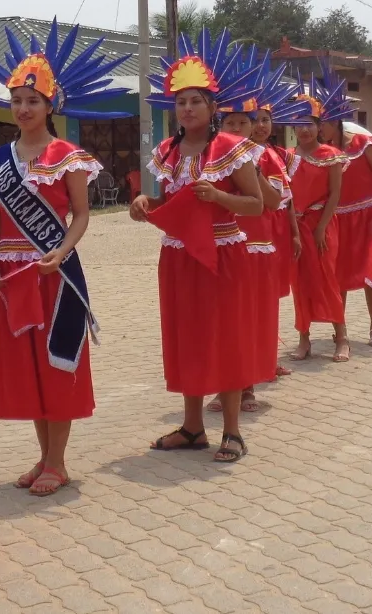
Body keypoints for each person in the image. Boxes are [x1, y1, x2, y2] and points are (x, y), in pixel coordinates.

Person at [0, 19, 130, 496]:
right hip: (13, 276)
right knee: (26, 368)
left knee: (57, 363)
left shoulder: (66, 155)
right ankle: (43, 457)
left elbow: (80, 214)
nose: (23, 108)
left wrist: (62, 249)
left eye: (32, 101)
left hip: (55, 273)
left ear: (49, 104)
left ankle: (58, 462)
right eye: (16, 100)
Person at [133, 28, 268, 463]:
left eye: (196, 100)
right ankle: (192, 427)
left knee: (224, 338)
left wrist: (220, 197)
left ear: (212, 107)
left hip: (223, 254)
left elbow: (256, 204)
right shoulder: (169, 151)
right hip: (177, 256)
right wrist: (145, 204)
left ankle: (232, 431)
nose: (187, 108)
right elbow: (170, 204)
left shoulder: (231, 147)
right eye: (181, 101)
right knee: (185, 337)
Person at [206, 50, 314, 413]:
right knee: (225, 320)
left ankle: (247, 385)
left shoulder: (264, 157)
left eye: (243, 123)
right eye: (230, 123)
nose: (236, 129)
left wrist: (249, 173)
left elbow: (276, 201)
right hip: (223, 246)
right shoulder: (211, 154)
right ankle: (228, 384)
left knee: (252, 317)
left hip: (258, 247)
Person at [288, 71, 353, 362]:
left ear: (319, 126)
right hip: (295, 226)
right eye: (299, 125)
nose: (305, 131)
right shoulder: (287, 157)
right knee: (299, 283)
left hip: (322, 225)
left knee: (328, 279)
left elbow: (335, 196)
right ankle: (304, 338)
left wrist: (321, 228)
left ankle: (342, 337)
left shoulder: (331, 155)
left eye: (310, 125)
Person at [331, 119, 372, 347]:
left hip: (368, 217)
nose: (320, 128)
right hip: (339, 219)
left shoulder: (363, 144)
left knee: (371, 270)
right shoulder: (325, 150)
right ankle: (340, 329)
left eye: (325, 123)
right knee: (339, 277)